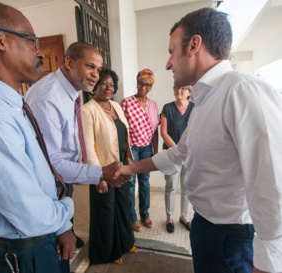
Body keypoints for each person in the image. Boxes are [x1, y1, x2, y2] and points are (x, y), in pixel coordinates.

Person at [114, 7, 282, 273]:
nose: (168, 63)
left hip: (231, 238)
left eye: (171, 51)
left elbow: (272, 185)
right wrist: (130, 168)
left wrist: (266, 265)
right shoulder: (205, 101)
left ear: (194, 45)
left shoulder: (242, 91)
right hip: (205, 227)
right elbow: (180, 153)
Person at [0, 2, 76, 273]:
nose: (39, 52)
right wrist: (67, 207)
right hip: (24, 250)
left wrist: (61, 226)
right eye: (31, 40)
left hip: (40, 238)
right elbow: (31, 214)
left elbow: (38, 178)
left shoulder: (11, 102)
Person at [25, 42, 129, 250]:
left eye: (98, 70)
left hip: (65, 177)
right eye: (90, 66)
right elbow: (52, 164)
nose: (95, 75)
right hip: (48, 184)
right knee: (54, 249)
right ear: (69, 62)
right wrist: (100, 173)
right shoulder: (49, 97)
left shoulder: (70, 93)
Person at [80, 68, 137, 264]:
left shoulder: (116, 106)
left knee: (123, 205)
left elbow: (124, 133)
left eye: (111, 85)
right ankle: (108, 252)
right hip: (103, 167)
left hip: (121, 164)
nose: (108, 88)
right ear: (94, 87)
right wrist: (98, 176)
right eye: (103, 83)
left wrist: (129, 157)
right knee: (105, 210)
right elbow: (87, 147)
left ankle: (125, 243)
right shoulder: (87, 110)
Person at [121, 69, 160, 232]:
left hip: (146, 148)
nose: (143, 87)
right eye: (141, 83)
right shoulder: (127, 103)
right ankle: (132, 217)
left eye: (147, 85)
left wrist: (155, 150)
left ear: (151, 87)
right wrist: (128, 154)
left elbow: (155, 129)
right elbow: (123, 130)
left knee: (145, 182)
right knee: (131, 183)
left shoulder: (153, 105)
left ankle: (145, 214)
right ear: (136, 83)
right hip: (133, 149)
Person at [160, 86, 194, 233]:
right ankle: (169, 218)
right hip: (172, 154)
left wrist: (186, 152)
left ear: (190, 93)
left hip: (190, 155)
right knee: (171, 187)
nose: (179, 91)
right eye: (176, 88)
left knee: (186, 188)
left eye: (184, 88)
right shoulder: (167, 108)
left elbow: (198, 130)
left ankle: (184, 217)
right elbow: (163, 133)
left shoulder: (195, 108)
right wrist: (178, 151)